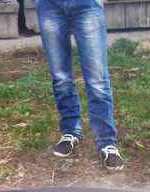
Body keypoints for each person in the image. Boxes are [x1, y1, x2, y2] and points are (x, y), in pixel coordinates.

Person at [36, 0, 124, 171]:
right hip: (49, 5)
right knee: (60, 76)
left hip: (87, 4)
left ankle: (107, 143)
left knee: (97, 79)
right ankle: (71, 132)